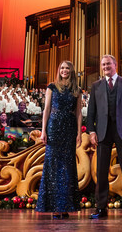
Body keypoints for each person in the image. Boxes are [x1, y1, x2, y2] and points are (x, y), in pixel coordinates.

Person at [87, 54, 122, 219]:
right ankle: (101, 208)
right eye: (103, 65)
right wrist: (91, 131)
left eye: (108, 64)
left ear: (115, 64)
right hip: (103, 132)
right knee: (101, 171)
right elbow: (91, 111)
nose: (105, 67)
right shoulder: (96, 86)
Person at [36, 61, 82, 219]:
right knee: (54, 167)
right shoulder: (52, 87)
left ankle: (66, 206)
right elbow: (47, 109)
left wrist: (79, 134)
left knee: (67, 167)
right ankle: (55, 207)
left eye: (67, 68)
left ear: (71, 71)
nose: (64, 70)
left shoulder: (77, 89)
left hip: (69, 129)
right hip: (54, 127)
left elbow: (79, 113)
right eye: (62, 67)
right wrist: (43, 131)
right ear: (59, 70)